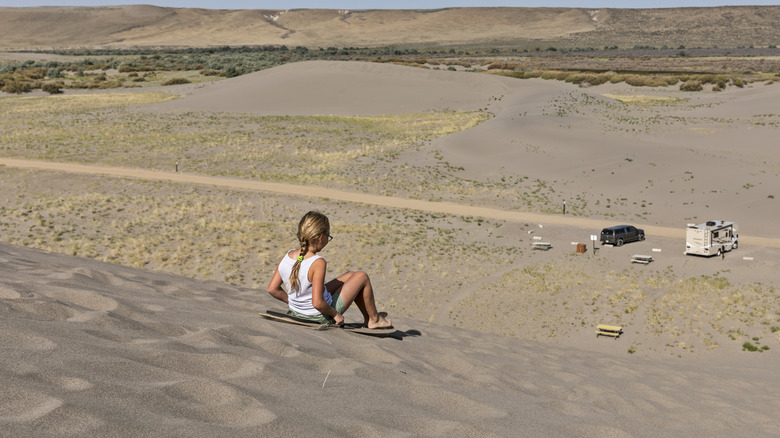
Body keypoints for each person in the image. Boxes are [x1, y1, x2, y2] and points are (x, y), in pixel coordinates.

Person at [267, 211, 392, 329]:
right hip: (319, 315)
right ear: (320, 237)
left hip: (297, 311)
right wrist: (335, 315)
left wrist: (295, 303)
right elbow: (317, 303)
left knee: (351, 275)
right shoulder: (317, 262)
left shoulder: (288, 256)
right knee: (362, 276)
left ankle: (369, 317)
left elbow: (272, 289)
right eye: (328, 236)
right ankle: (374, 320)